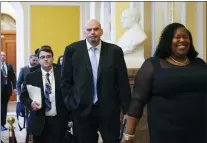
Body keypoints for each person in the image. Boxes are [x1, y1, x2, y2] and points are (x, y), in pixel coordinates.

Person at [122, 23, 207, 143]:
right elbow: (138, 101)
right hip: (166, 132)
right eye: (177, 37)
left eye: (185, 37)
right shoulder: (153, 65)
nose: (182, 40)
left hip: (200, 131)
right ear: (168, 41)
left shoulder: (200, 64)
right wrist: (128, 134)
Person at [61, 19, 131, 143]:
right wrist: (72, 104)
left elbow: (122, 82)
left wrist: (126, 110)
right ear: (85, 32)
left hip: (109, 110)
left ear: (101, 31)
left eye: (96, 29)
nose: (93, 32)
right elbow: (65, 81)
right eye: (89, 30)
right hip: (82, 110)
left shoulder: (114, 51)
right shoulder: (72, 50)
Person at [20, 46, 68, 143]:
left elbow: (69, 94)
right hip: (39, 120)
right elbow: (23, 96)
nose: (45, 59)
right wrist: (30, 104)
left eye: (48, 56)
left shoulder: (62, 74)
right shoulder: (31, 76)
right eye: (42, 57)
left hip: (58, 121)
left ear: (52, 58)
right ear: (38, 60)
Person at [1, 51, 16, 131]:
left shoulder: (9, 66)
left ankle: (2, 124)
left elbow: (13, 77)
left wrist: (14, 87)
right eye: (1, 55)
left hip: (7, 90)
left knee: (4, 107)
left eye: (4, 55)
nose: (3, 56)